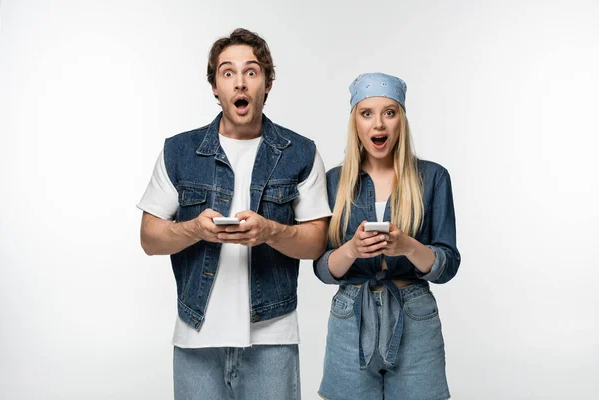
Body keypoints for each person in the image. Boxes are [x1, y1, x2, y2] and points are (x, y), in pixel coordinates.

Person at [137, 28, 331, 400]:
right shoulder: (179, 152)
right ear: (214, 86)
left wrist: (271, 232)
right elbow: (149, 238)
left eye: (251, 72)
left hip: (273, 339)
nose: (240, 83)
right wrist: (194, 229)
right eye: (227, 73)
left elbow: (315, 243)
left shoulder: (300, 152)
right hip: (196, 338)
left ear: (268, 83)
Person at [314, 72, 460, 400]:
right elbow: (322, 268)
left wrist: (407, 246)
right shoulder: (334, 181)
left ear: (401, 121)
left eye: (389, 113)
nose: (378, 124)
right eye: (367, 113)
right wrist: (351, 249)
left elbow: (448, 264)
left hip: (415, 317)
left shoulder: (433, 177)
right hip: (350, 316)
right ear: (355, 123)